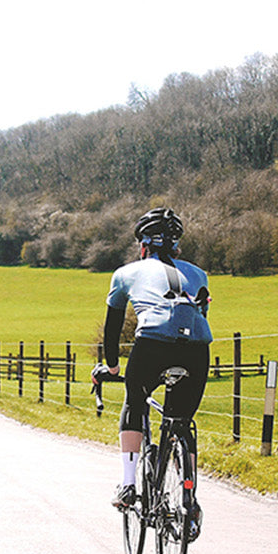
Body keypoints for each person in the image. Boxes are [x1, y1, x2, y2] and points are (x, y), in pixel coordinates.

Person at [102, 207, 212, 527]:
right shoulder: (200, 274)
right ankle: (189, 503)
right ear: (176, 246)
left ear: (143, 246)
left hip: (151, 345)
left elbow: (112, 329)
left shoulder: (126, 273)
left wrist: (111, 367)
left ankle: (128, 485)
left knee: (135, 403)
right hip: (196, 350)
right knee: (181, 422)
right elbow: (198, 316)